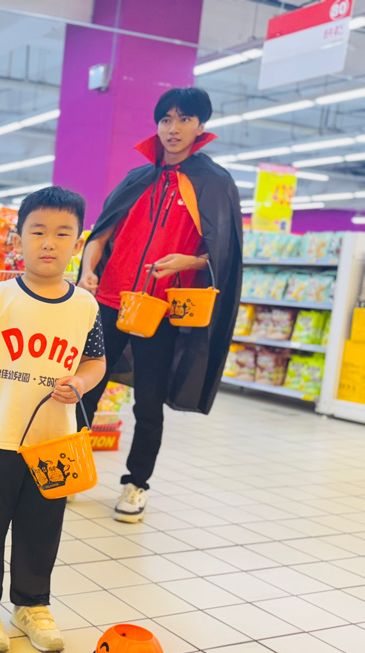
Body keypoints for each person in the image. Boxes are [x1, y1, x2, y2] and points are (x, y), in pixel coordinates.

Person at [77, 87, 242, 524]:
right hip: (111, 300)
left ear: (201, 125)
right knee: (85, 388)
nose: (173, 128)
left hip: (161, 308)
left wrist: (189, 261)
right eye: (166, 119)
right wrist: (88, 270)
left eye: (184, 119)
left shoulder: (214, 183)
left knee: (149, 400)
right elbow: (100, 234)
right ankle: (68, 469)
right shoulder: (137, 178)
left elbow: (222, 253)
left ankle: (136, 484)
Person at [0, 187, 106, 653]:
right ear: (19, 238)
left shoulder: (85, 305)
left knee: (42, 528)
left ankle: (31, 604)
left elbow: (95, 362)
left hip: (54, 441)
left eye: (62, 233)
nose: (49, 242)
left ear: (77, 243)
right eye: (38, 231)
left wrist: (80, 384)